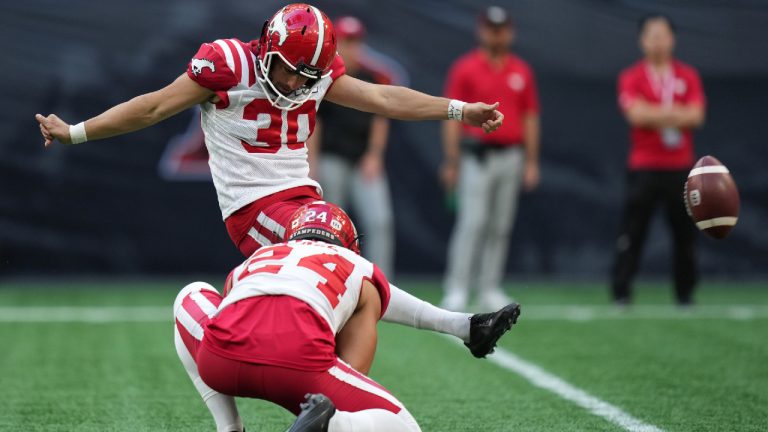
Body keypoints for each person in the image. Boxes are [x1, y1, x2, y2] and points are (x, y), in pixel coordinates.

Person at [35, 4, 507, 360]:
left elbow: (381, 96)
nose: (300, 86)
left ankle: (457, 332)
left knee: (357, 285)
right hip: (252, 207)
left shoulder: (313, 74)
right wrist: (76, 131)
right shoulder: (226, 65)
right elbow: (153, 106)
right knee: (343, 256)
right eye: (292, 72)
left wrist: (458, 109)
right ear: (270, 48)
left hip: (302, 199)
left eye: (310, 78)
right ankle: (364, 380)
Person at [173, 201, 521, 431]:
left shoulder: (258, 259)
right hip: (298, 362)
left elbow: (234, 302)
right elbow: (360, 356)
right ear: (348, 241)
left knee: (190, 294)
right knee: (401, 425)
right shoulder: (358, 266)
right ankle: (332, 424)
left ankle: (229, 427)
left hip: (221, 357)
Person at [439, 6, 540, 311]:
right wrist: (452, 160)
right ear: (482, 30)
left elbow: (530, 117)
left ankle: (489, 286)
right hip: (477, 157)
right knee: (472, 222)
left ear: (509, 32)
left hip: (511, 155)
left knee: (500, 225)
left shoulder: (521, 70)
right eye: (491, 28)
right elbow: (451, 115)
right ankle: (457, 286)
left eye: (502, 28)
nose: (496, 34)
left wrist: (532, 161)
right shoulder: (465, 68)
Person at [612, 14, 705, 306]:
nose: (657, 41)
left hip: (680, 165)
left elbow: (697, 115)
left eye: (662, 35)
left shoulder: (687, 75)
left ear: (672, 39)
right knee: (633, 232)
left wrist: (655, 113)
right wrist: (675, 112)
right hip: (644, 165)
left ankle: (685, 293)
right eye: (651, 35)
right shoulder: (631, 76)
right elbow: (635, 115)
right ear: (642, 41)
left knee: (685, 235)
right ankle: (622, 292)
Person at [308, 16, 395, 277]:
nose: (352, 47)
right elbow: (315, 124)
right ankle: (333, 279)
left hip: (362, 160)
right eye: (347, 41)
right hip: (332, 158)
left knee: (380, 221)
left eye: (356, 42)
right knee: (332, 226)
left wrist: (375, 155)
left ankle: (383, 284)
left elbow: (380, 119)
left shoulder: (370, 77)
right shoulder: (325, 79)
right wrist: (312, 163)